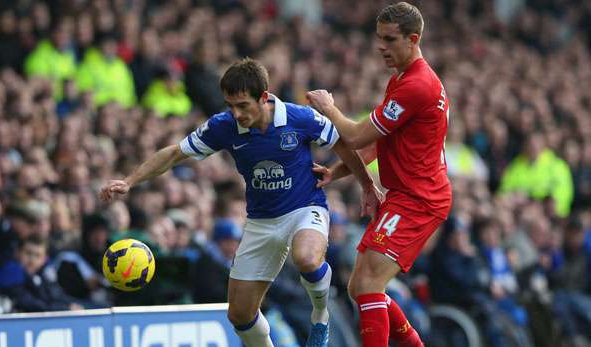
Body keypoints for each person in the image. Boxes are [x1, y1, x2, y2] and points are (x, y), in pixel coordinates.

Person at [100, 58, 380, 347]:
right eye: (230, 105)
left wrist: (367, 185)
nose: (236, 113)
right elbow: (174, 154)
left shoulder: (300, 118)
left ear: (264, 97)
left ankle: (320, 317)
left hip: (304, 208)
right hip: (261, 221)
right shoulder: (224, 126)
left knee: (307, 258)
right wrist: (130, 181)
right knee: (240, 315)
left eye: (243, 105)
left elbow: (345, 146)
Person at [307, 3, 452, 346]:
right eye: (379, 38)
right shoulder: (401, 80)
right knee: (361, 286)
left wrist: (330, 109)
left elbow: (356, 136)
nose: (381, 47)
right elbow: (377, 142)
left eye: (389, 39)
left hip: (419, 200)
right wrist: (337, 171)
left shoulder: (417, 85)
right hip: (404, 196)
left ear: (413, 39)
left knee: (369, 283)